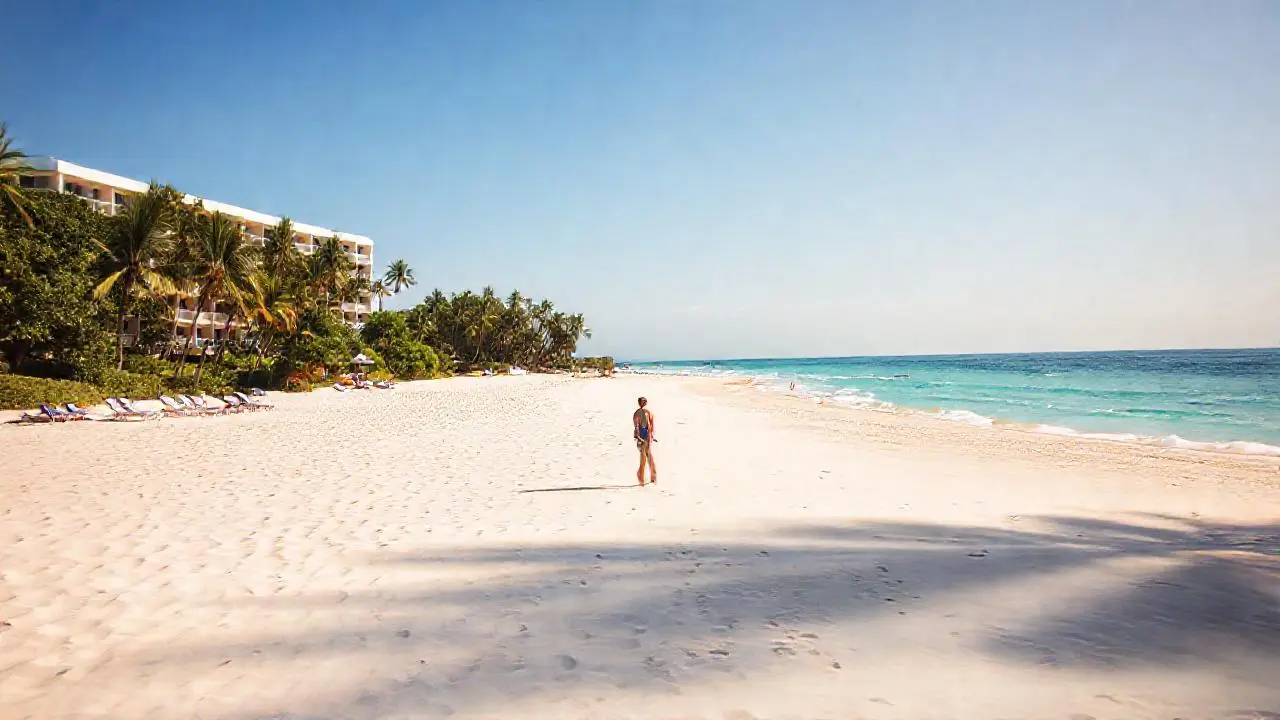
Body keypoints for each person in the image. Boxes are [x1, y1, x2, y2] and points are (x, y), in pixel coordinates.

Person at [633, 396, 657, 486]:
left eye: (644, 402)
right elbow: (636, 426)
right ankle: (643, 477)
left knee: (648, 457)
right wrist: (638, 437)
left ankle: (649, 477)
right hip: (642, 438)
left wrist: (651, 436)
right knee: (644, 457)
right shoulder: (638, 413)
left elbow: (651, 425)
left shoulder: (647, 412)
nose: (643, 403)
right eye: (642, 402)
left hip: (646, 437)